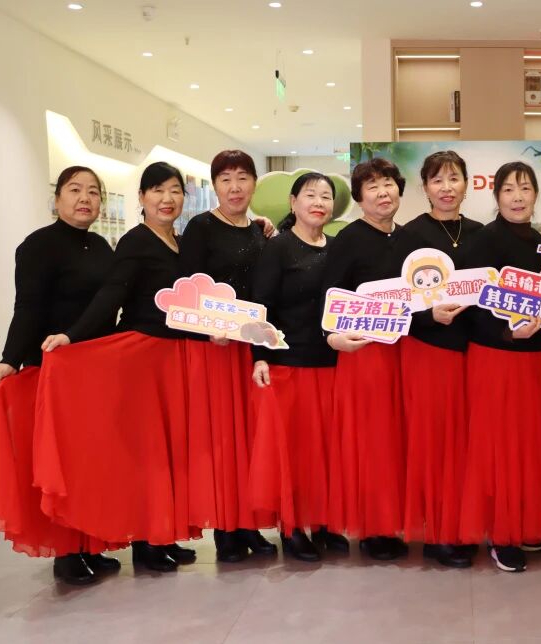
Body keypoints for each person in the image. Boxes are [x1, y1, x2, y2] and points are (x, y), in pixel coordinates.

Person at [37, 161, 198, 573]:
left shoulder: (180, 242)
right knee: (145, 454)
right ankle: (146, 542)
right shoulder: (135, 241)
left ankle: (159, 534)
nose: (167, 198)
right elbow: (112, 294)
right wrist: (72, 335)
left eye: (175, 190)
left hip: (172, 358)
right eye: (157, 190)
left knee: (167, 451)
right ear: (141, 197)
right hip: (141, 360)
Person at [0, 166, 119, 585]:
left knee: (89, 461)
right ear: (57, 199)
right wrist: (10, 358)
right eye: (74, 190)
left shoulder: (101, 246)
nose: (84, 198)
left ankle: (90, 543)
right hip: (54, 372)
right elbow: (28, 306)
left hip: (92, 371)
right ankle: (66, 553)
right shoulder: (38, 245)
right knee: (62, 464)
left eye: (93, 192)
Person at [178, 150, 276, 562]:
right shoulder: (200, 228)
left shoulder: (259, 230)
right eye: (225, 179)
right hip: (215, 349)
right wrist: (207, 327)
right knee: (222, 440)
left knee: (251, 437)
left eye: (242, 178)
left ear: (255, 183)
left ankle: (249, 523)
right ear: (215, 185)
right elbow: (186, 288)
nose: (235, 187)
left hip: (250, 347)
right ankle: (226, 529)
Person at [459, 161, 541, 573]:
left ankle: (524, 523)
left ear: (535, 195)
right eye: (509, 189)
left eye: (525, 188)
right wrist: (507, 332)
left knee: (529, 442)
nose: (518, 197)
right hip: (495, 356)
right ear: (496, 196)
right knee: (498, 445)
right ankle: (501, 533)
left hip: (533, 359)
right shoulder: (483, 240)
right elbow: (470, 304)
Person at [249, 172, 345, 562]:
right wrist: (259, 355)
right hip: (288, 364)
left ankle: (322, 521)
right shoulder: (278, 248)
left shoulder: (337, 248)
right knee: (293, 452)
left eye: (325, 196)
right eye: (310, 195)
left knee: (325, 449)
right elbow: (261, 304)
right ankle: (291, 528)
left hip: (331, 362)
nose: (318, 202)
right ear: (293, 202)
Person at [395, 151, 483, 568]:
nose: (447, 188)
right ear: (425, 187)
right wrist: (429, 317)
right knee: (433, 442)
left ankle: (463, 525)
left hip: (474, 353)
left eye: (454, 179)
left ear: (467, 183)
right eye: (437, 180)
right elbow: (396, 302)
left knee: (466, 444)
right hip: (428, 350)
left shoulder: (481, 233)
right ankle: (437, 533)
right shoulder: (409, 235)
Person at [323, 157, 409, 561]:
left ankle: (395, 520)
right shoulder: (348, 239)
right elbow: (328, 296)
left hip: (405, 354)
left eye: (388, 183)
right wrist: (332, 336)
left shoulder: (408, 239)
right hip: (365, 354)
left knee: (397, 440)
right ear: (359, 197)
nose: (382, 193)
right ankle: (374, 527)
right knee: (372, 441)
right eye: (372, 186)